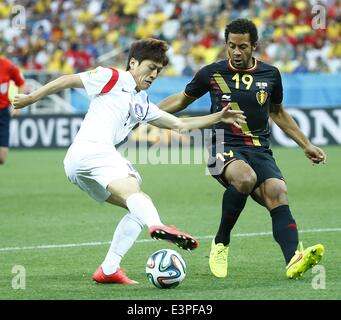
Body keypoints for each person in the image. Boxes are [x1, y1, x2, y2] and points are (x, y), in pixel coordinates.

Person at [13, 38, 246, 284]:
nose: (154, 74)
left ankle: (109, 268)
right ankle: (157, 225)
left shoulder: (141, 102)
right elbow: (66, 80)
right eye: (150, 67)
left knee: (137, 206)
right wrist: (31, 98)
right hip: (93, 150)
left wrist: (218, 117)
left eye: (158, 70)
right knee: (135, 189)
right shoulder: (111, 77)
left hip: (77, 165)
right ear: (133, 63)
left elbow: (180, 124)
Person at [158, 19, 326, 280]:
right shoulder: (211, 73)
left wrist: (306, 144)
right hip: (219, 146)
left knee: (278, 192)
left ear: (254, 46)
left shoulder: (270, 74)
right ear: (226, 45)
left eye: (243, 47)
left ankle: (293, 259)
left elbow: (277, 112)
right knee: (245, 177)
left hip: (259, 148)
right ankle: (221, 243)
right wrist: (146, 113)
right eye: (231, 46)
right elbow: (181, 99)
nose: (236, 52)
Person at [0, 49, 26, 165]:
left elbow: (21, 83)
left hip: (3, 113)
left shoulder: (8, 66)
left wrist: (18, 107)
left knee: (2, 158)